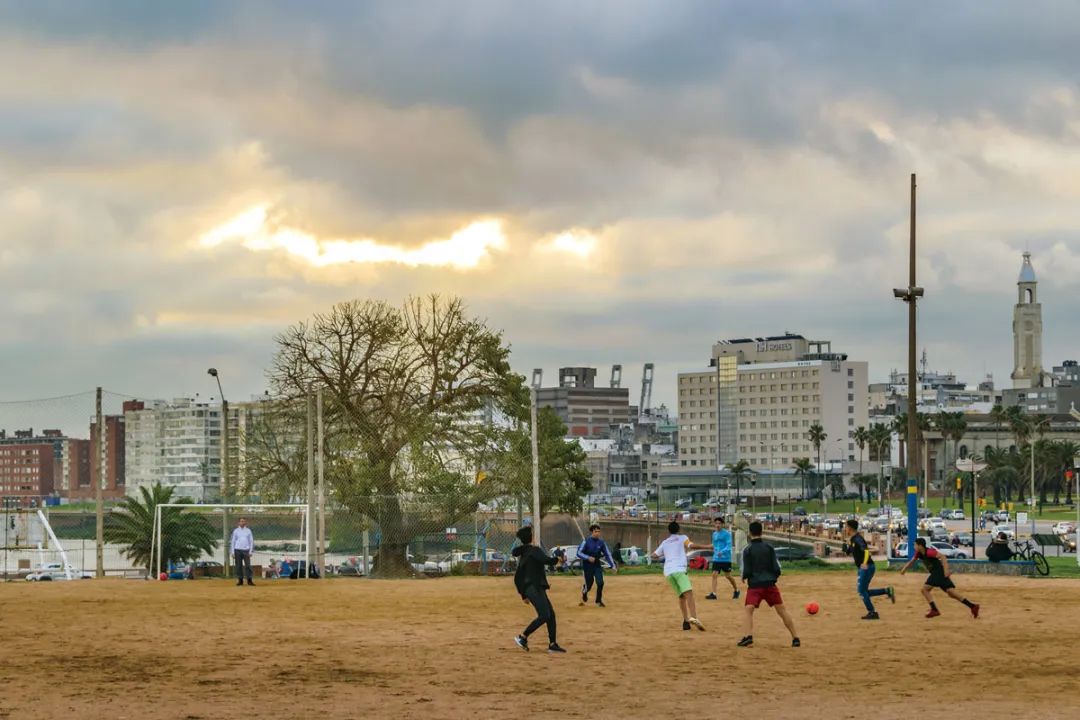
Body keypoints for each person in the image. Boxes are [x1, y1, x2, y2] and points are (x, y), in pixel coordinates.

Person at [738, 521, 800, 648]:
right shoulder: (769, 548)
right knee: (782, 610)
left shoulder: (748, 549)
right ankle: (795, 637)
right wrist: (772, 578)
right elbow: (777, 568)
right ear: (762, 532)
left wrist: (744, 577)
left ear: (749, 533)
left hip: (755, 586)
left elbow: (747, 570)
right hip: (770, 585)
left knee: (748, 610)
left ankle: (748, 636)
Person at [512, 525, 565, 653]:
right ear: (531, 537)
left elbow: (517, 577)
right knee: (545, 615)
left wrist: (523, 594)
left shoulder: (525, 552)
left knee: (550, 615)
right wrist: (557, 559)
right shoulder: (534, 550)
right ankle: (523, 637)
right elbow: (547, 560)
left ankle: (552, 644)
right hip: (534, 587)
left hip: (533, 588)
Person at [899, 537, 980, 619]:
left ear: (920, 546)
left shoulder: (929, 551)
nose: (914, 546)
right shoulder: (919, 553)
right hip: (938, 573)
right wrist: (904, 569)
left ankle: (934, 609)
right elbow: (912, 561)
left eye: (915, 545)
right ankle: (973, 606)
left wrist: (946, 571)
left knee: (924, 589)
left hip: (938, 572)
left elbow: (943, 557)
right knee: (951, 593)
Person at [651, 521, 710, 631]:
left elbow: (654, 555)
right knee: (689, 594)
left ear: (669, 531)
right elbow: (691, 546)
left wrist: (664, 553)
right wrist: (708, 546)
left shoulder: (665, 542)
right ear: (679, 529)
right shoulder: (682, 538)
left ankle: (685, 621)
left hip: (668, 572)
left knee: (681, 596)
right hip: (679, 570)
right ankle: (694, 617)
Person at [842, 518, 894, 620]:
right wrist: (846, 549)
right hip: (865, 567)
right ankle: (887, 591)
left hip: (867, 567)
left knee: (861, 591)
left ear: (850, 528)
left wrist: (864, 563)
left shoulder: (858, 539)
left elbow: (866, 551)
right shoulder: (853, 539)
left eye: (846, 527)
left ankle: (872, 612)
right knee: (864, 591)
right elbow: (851, 551)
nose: (845, 529)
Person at [577, 524, 617, 607]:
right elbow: (579, 553)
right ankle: (585, 591)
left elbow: (608, 554)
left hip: (597, 565)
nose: (598, 533)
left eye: (599, 531)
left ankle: (598, 601)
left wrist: (613, 566)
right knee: (589, 585)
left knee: (600, 582)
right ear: (592, 532)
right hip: (587, 566)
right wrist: (588, 557)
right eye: (596, 531)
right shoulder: (586, 542)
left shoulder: (601, 542)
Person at [705, 516, 739, 601]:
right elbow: (714, 545)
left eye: (719, 523)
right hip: (716, 558)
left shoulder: (727, 534)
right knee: (714, 574)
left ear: (722, 524)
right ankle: (713, 594)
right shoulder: (714, 534)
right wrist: (705, 547)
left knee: (728, 576)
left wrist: (722, 552)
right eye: (716, 523)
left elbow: (729, 546)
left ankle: (736, 590)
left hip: (725, 559)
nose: (717, 525)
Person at [230, 517, 254, 586]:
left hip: (246, 550)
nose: (242, 522)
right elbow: (233, 541)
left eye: (243, 521)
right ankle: (240, 580)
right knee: (238, 566)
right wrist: (232, 552)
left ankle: (249, 580)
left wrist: (250, 551)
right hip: (237, 550)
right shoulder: (236, 531)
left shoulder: (248, 531)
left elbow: (251, 541)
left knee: (248, 566)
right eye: (241, 521)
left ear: (245, 522)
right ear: (238, 522)